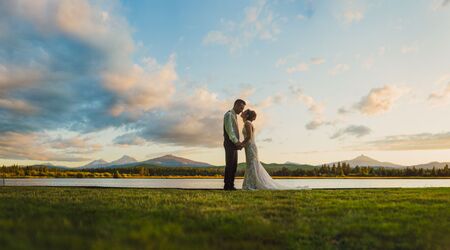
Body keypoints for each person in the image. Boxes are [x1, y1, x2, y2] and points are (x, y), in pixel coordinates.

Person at [240, 109, 309, 190]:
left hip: (250, 146)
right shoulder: (247, 123)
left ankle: (251, 184)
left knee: (252, 164)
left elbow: (249, 137)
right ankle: (252, 184)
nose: (242, 112)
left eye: (244, 112)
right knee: (251, 164)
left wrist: (241, 144)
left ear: (247, 115)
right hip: (249, 146)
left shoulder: (247, 123)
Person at [223, 99, 246, 190]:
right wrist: (237, 142)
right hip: (230, 143)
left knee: (234, 165)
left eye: (242, 108)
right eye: (241, 108)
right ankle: (227, 186)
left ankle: (231, 185)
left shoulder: (234, 116)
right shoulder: (229, 115)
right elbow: (230, 131)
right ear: (236, 105)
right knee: (230, 164)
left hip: (233, 144)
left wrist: (237, 143)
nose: (242, 110)